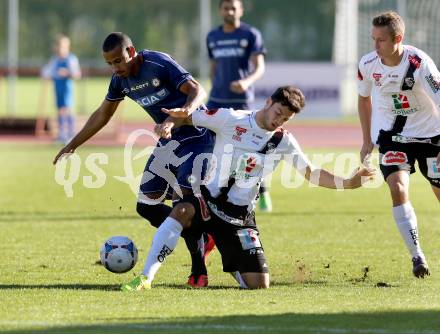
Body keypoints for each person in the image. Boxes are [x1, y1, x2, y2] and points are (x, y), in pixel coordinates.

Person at [121, 85, 375, 290]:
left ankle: (227, 254)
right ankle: (146, 278)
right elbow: (187, 116)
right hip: (207, 202)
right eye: (278, 113)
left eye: (286, 118)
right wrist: (168, 124)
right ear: (268, 103)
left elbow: (312, 173)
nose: (279, 121)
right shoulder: (231, 118)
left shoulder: (283, 141)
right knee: (181, 211)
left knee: (258, 285)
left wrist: (350, 182)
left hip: (239, 217)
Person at [53, 32, 215, 288]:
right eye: (110, 63)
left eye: (119, 60)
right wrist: (73, 144)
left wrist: (181, 113)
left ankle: (198, 270)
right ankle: (201, 235)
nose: (116, 68)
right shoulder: (120, 80)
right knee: (147, 207)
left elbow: (197, 89)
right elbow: (103, 114)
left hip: (197, 137)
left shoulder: (158, 63)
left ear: (132, 51)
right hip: (168, 142)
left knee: (184, 202)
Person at [357, 11, 440, 278]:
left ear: (398, 39)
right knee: (398, 187)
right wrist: (366, 139)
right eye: (373, 39)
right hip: (393, 137)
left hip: (430, 136)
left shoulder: (419, 63)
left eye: (381, 40)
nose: (375, 46)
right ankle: (417, 256)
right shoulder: (368, 63)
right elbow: (363, 99)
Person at [206, 0, 272, 212]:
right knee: (208, 146)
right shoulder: (212, 36)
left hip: (242, 101)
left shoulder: (251, 35)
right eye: (226, 7)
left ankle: (262, 193)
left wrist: (246, 82)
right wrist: (215, 85)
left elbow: (259, 67)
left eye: (234, 7)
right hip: (216, 101)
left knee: (251, 149)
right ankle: (208, 193)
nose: (230, 11)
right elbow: (213, 67)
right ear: (220, 11)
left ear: (241, 10)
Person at [42, 35, 82, 144]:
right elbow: (47, 72)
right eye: (59, 47)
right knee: (60, 110)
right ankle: (62, 135)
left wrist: (67, 73)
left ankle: (71, 135)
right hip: (57, 88)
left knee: (67, 109)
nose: (60, 49)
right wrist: (48, 75)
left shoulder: (71, 59)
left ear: (68, 47)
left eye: (63, 47)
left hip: (67, 88)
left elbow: (77, 74)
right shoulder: (54, 60)